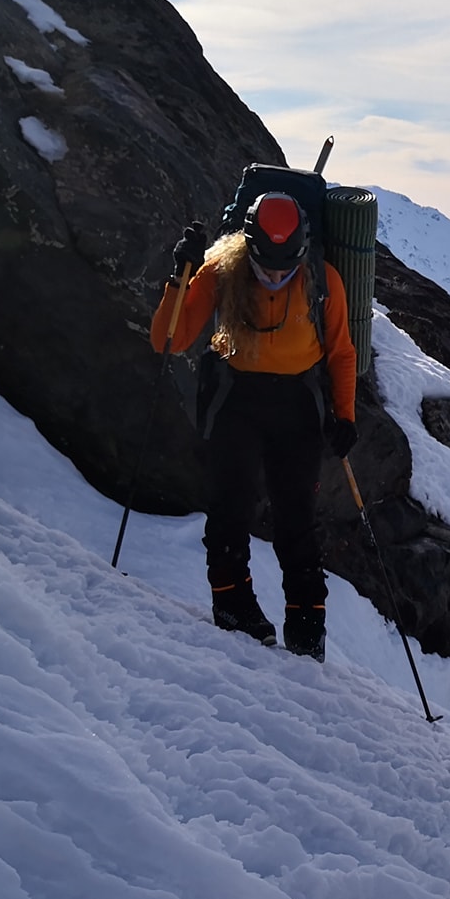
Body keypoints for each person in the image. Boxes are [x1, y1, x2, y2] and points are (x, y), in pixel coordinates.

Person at [151, 193, 356, 661]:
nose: (277, 277)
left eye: (286, 270)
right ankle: (233, 607)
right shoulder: (220, 273)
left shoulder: (323, 281)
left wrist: (345, 416)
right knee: (230, 507)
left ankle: (307, 626)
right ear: (248, 246)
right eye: (267, 268)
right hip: (235, 398)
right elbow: (169, 339)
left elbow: (342, 352)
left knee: (296, 519)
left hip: (296, 405)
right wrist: (178, 280)